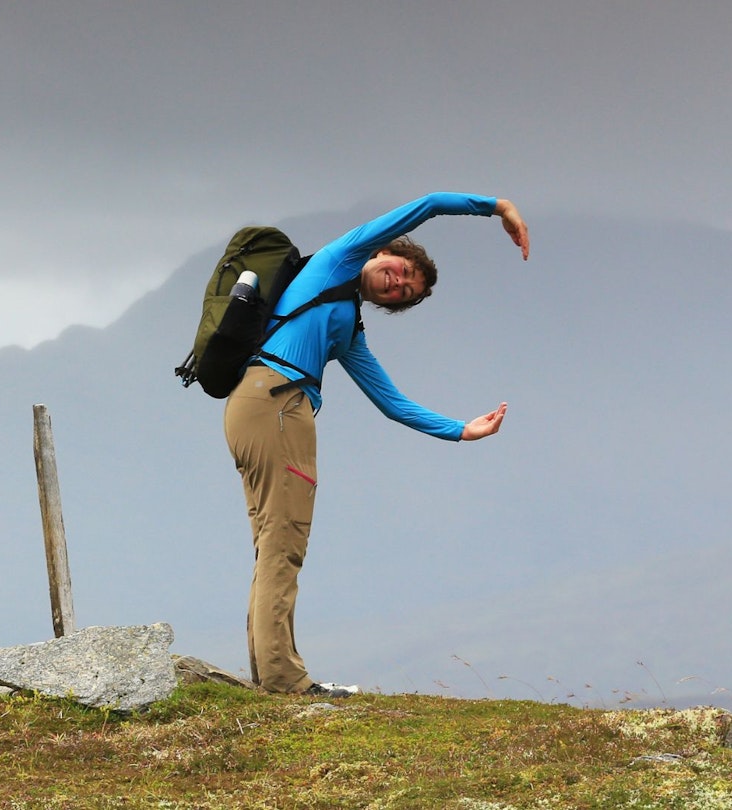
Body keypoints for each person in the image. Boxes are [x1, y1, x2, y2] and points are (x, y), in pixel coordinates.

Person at [223, 192, 530, 696]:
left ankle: (270, 674)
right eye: (403, 271)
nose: (399, 284)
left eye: (405, 293)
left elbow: (391, 401)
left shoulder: (344, 322)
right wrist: (497, 207)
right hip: (277, 403)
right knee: (285, 541)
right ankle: (285, 681)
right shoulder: (340, 256)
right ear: (385, 253)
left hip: (255, 403)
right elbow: (428, 204)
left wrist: (460, 429)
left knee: (273, 542)